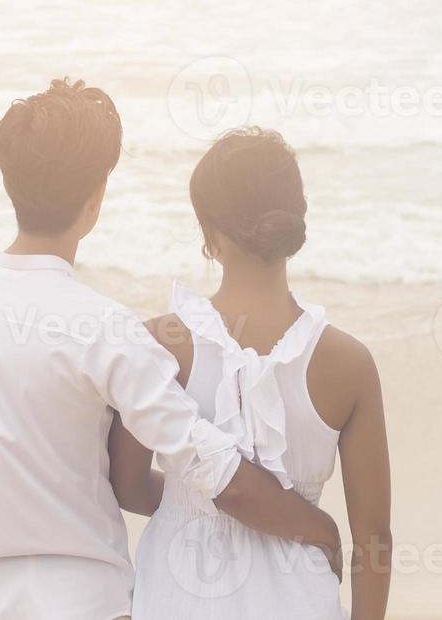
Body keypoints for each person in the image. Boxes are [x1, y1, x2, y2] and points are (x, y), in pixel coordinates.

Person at [0, 81, 342, 620]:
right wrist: (316, 526)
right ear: (96, 199)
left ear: (8, 181)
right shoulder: (107, 330)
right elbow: (211, 467)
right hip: (89, 605)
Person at [110, 128, 393, 620]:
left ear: (210, 236)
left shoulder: (161, 345)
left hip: (181, 595)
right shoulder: (349, 362)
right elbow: (374, 539)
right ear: (294, 220)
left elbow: (125, 484)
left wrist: (199, 494)